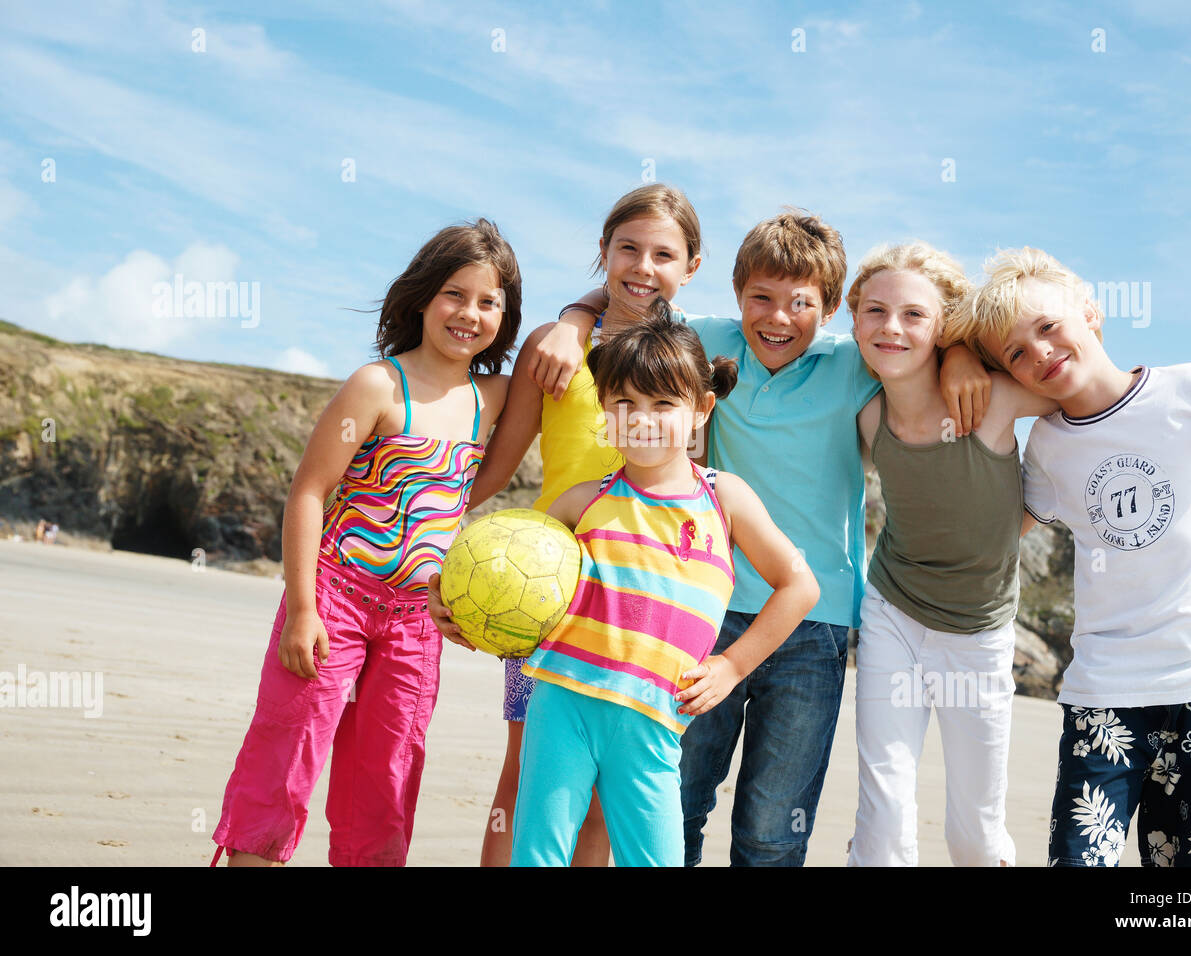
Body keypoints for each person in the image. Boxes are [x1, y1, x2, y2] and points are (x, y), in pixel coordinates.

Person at [529, 210, 990, 866]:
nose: (778, 318)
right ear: (737, 293)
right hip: (699, 617)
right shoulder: (705, 345)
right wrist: (575, 317)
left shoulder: (854, 363)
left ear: (832, 308)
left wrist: (965, 353)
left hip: (815, 623)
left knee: (774, 826)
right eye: (760, 299)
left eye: (801, 304)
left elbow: (927, 337)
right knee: (675, 800)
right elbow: (637, 296)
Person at [845, 242, 1191, 867]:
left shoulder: (1007, 399)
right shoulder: (868, 405)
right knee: (889, 822)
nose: (892, 327)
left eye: (914, 314)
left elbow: (1116, 389)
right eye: (875, 311)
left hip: (1014, 641)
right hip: (934, 627)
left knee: (982, 836)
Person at [956, 246, 1191, 867]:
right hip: (1106, 695)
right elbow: (994, 539)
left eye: (1048, 327)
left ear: (1091, 310)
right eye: (1016, 353)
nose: (1040, 353)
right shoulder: (1048, 452)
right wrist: (963, 366)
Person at [210, 219, 519, 867]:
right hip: (335, 599)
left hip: (416, 621)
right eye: (454, 295)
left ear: (506, 315)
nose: (469, 313)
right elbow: (308, 492)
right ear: (422, 298)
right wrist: (302, 609)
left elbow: (469, 486)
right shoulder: (378, 385)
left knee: (386, 778)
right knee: (287, 755)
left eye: (489, 302)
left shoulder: (494, 398)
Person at [504, 300, 818, 865]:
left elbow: (799, 586)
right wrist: (448, 602)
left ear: (701, 409)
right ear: (603, 407)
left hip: (654, 719)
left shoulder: (724, 499)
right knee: (538, 854)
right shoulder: (584, 501)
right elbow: (509, 570)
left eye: (663, 403)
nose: (642, 417)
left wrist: (731, 665)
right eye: (624, 402)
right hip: (561, 702)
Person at [462, 183, 703, 867]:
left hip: (645, 594)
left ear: (690, 267)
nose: (643, 267)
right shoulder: (554, 347)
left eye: (664, 254)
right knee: (528, 771)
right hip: (544, 592)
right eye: (628, 248)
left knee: (606, 790)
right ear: (603, 252)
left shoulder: (692, 352)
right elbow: (496, 471)